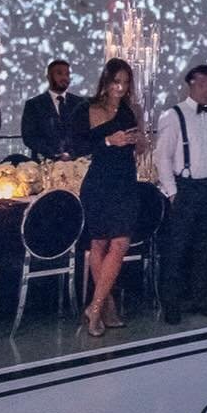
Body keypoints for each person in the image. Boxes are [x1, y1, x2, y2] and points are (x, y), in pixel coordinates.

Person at [154, 64, 207, 324]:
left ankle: (199, 298)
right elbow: (162, 157)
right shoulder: (173, 116)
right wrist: (173, 193)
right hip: (185, 189)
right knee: (177, 249)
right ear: (196, 83)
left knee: (205, 247)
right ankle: (171, 304)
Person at [78, 59, 143, 338]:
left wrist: (138, 141)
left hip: (125, 181)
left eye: (126, 82)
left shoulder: (131, 110)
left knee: (121, 242)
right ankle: (107, 305)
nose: (121, 87)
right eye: (117, 81)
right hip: (99, 183)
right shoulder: (88, 108)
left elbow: (139, 149)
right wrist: (108, 141)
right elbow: (77, 144)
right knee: (99, 243)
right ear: (106, 81)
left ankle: (94, 307)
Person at [20, 59, 89, 161]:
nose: (64, 78)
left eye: (67, 74)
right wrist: (55, 154)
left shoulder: (80, 103)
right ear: (49, 77)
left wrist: (74, 154)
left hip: (77, 163)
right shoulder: (34, 105)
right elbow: (29, 137)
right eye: (59, 73)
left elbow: (86, 133)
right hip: (44, 164)